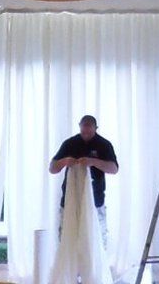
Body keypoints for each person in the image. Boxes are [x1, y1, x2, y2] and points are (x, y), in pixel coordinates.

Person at [50, 113, 119, 275]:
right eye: (83, 129)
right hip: (69, 202)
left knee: (96, 241)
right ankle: (70, 275)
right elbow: (53, 167)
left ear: (95, 128)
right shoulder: (70, 143)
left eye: (89, 129)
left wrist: (93, 162)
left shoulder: (104, 145)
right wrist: (65, 161)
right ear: (80, 127)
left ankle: (94, 275)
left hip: (96, 202)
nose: (86, 132)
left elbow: (114, 169)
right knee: (68, 240)